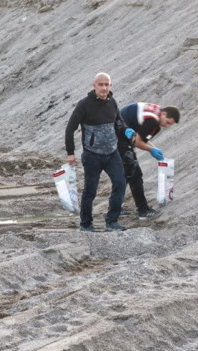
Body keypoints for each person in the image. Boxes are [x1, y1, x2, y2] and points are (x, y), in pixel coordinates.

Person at [64, 73, 127, 232]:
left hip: (112, 153)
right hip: (92, 155)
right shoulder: (84, 104)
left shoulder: (112, 102)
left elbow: (119, 122)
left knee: (120, 183)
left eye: (107, 84)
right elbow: (70, 129)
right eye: (101, 84)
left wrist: (127, 131)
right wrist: (70, 153)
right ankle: (85, 224)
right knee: (90, 190)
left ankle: (112, 221)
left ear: (110, 86)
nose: (104, 88)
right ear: (94, 86)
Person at [117, 103, 180, 219]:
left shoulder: (156, 114)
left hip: (120, 131)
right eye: (167, 122)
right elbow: (137, 141)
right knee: (134, 174)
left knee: (126, 173)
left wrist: (154, 147)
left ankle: (116, 208)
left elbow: (140, 138)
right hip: (118, 135)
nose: (167, 126)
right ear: (164, 114)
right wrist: (151, 150)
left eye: (170, 125)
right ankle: (143, 210)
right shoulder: (153, 121)